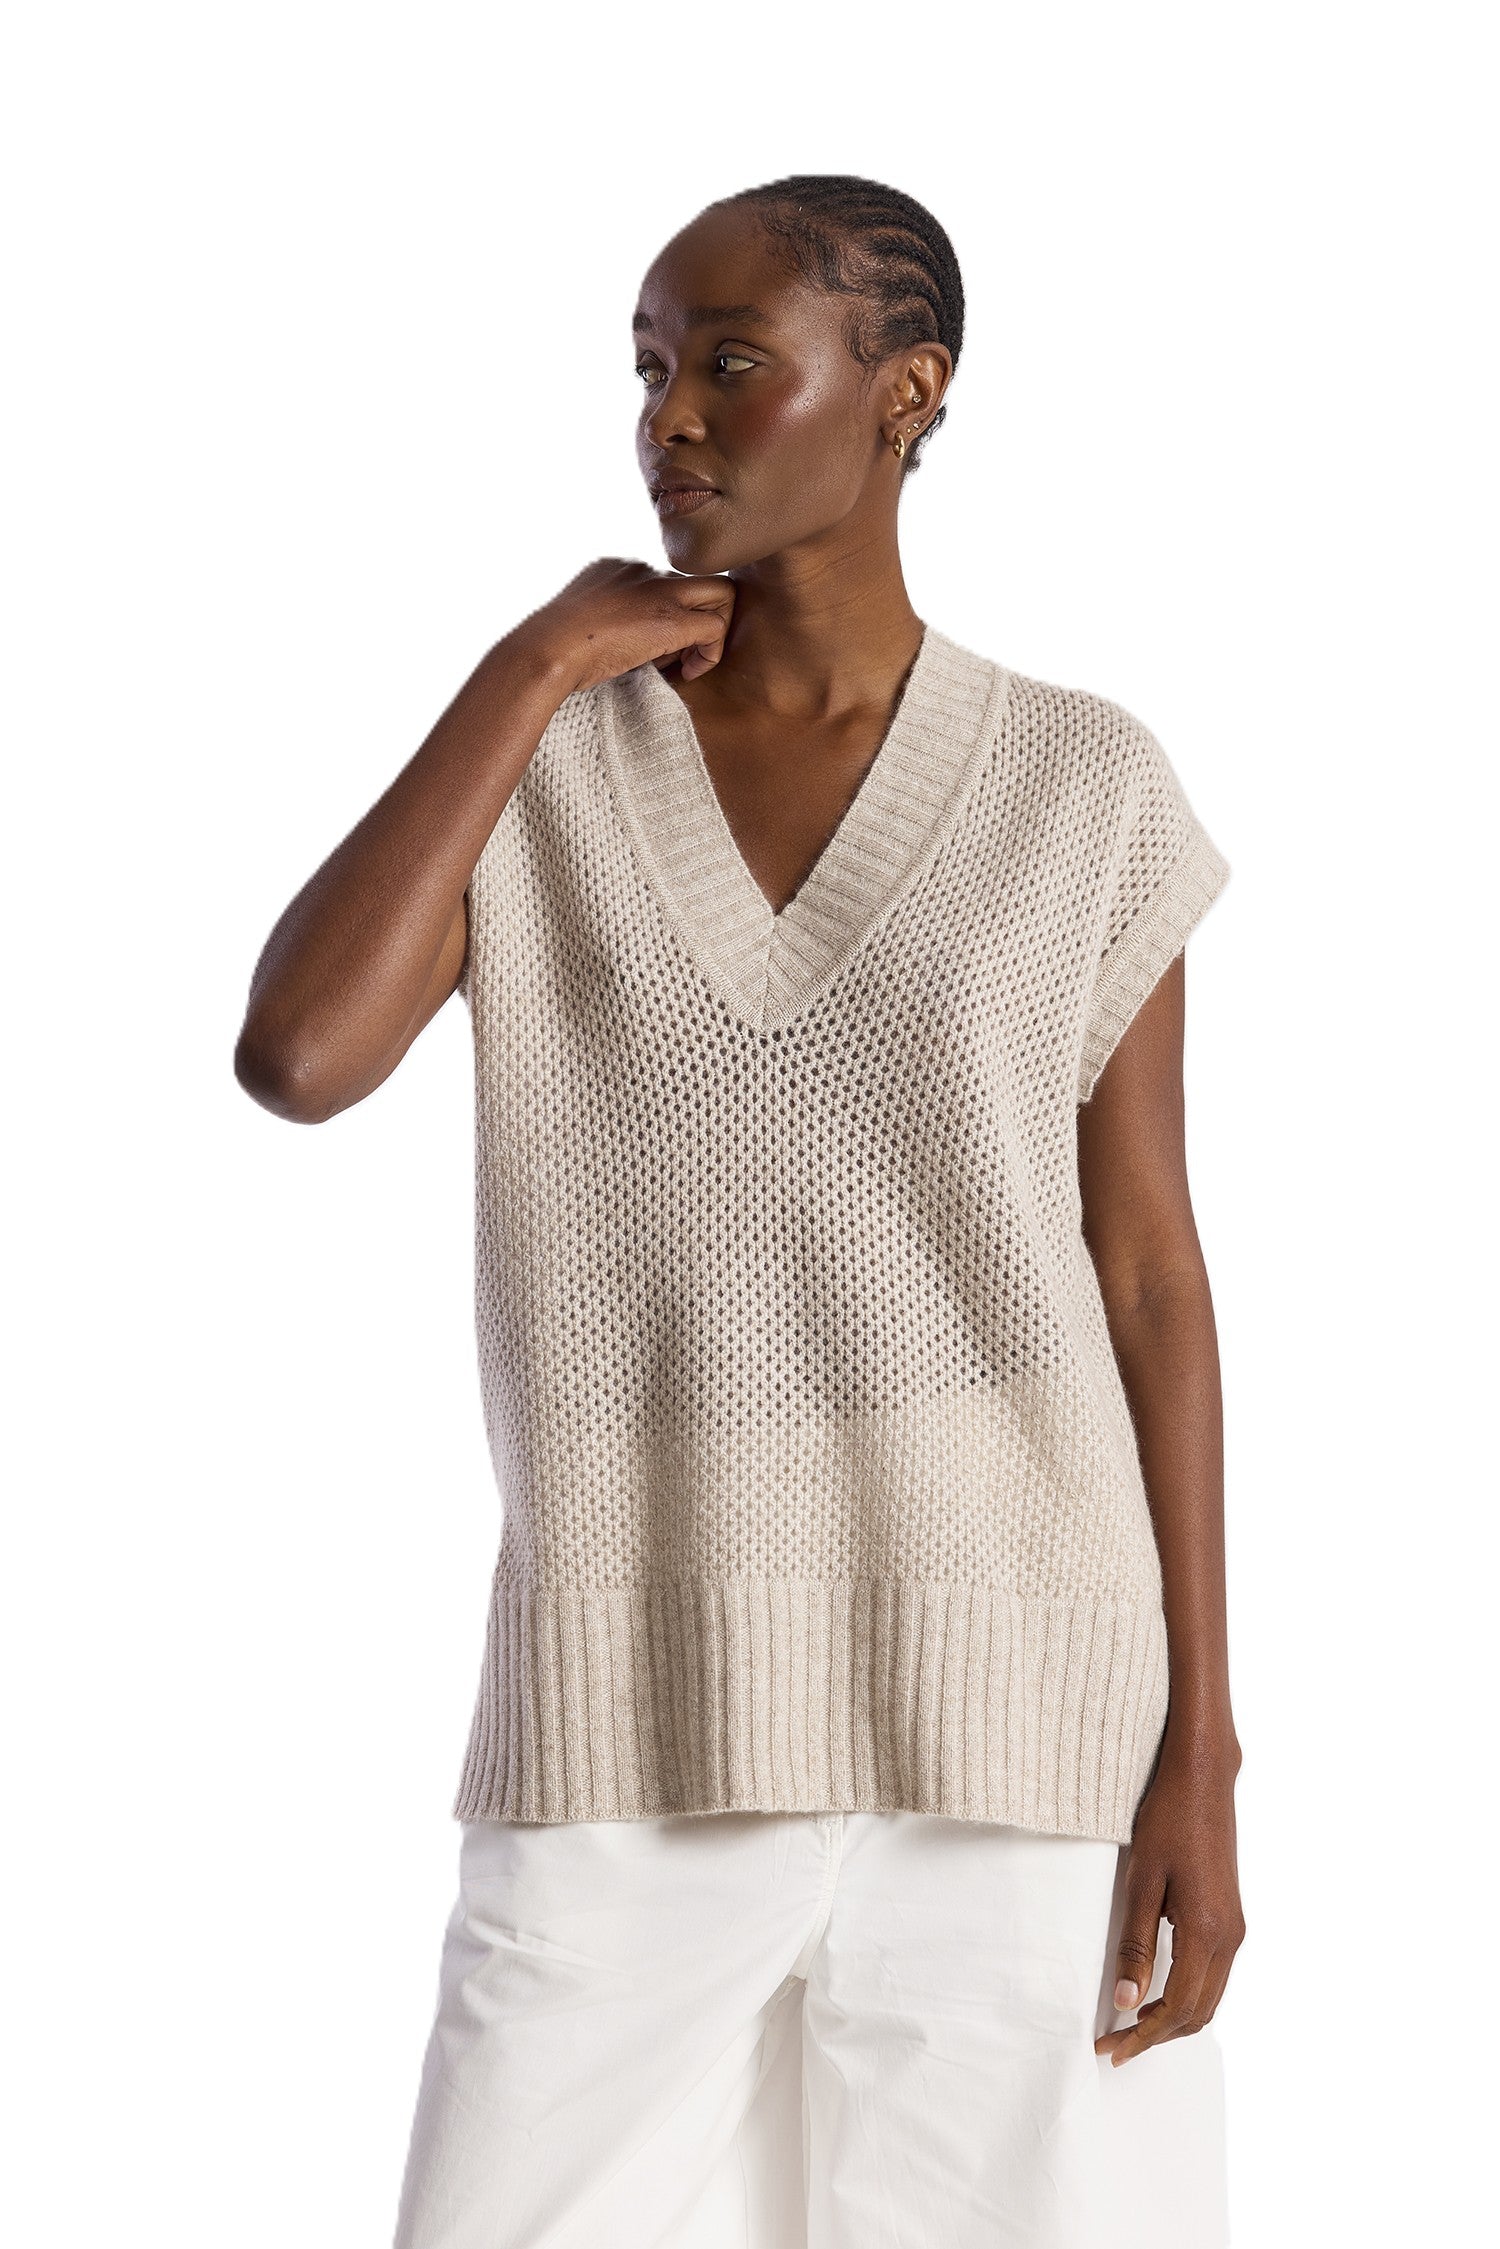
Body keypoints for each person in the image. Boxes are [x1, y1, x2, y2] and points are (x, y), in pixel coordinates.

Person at [235, 175, 1245, 2248]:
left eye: (729, 362)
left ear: (905, 391)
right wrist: (532, 663)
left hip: (1020, 1713)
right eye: (646, 368)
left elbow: (1148, 1271)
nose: (669, 417)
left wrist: (1202, 1753)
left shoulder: (1084, 786)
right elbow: (301, 1056)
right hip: (632, 1708)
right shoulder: (548, 763)